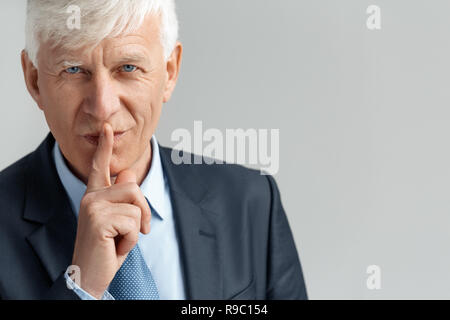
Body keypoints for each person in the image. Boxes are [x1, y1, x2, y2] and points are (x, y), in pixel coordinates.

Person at [0, 0, 307, 300]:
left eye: (128, 67)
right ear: (34, 80)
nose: (103, 107)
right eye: (74, 70)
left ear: (169, 72)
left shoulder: (250, 202)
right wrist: (83, 288)